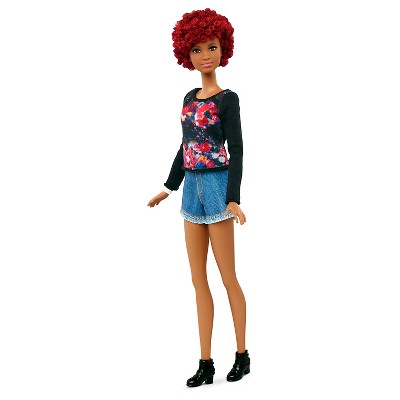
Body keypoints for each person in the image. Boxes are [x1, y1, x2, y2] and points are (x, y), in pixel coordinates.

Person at [147, 8, 250, 387]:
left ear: (224, 49)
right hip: (191, 189)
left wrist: (233, 197)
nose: (205, 56)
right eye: (196, 49)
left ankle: (242, 354)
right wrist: (169, 186)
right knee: (197, 280)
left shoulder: (228, 99)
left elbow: (237, 149)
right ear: (185, 54)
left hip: (218, 186)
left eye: (212, 47)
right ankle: (205, 361)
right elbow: (185, 146)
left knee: (228, 277)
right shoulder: (189, 97)